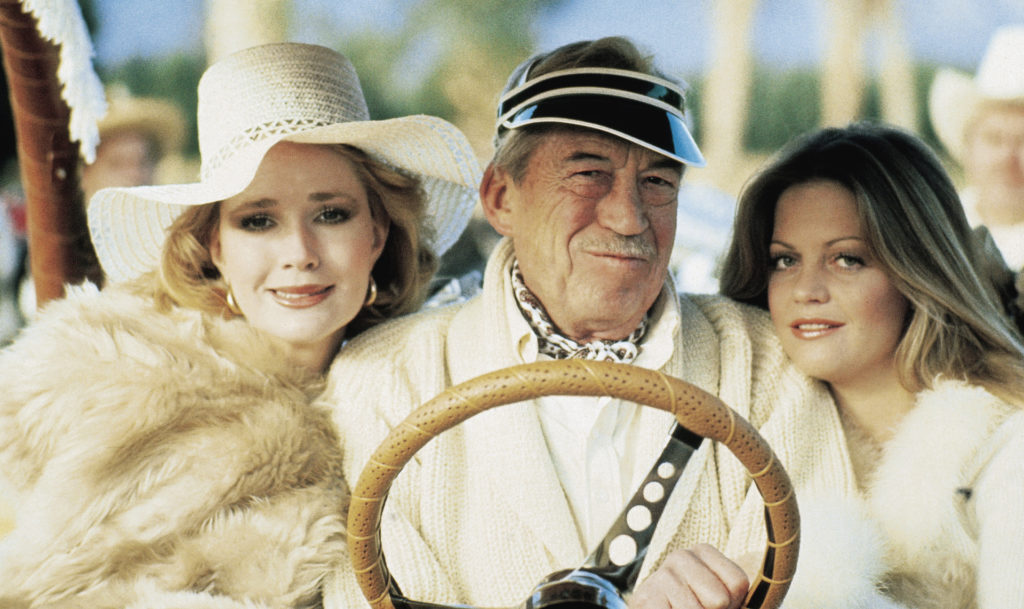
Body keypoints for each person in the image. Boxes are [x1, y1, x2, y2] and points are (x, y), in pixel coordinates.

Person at [321, 37, 865, 609]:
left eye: (657, 182)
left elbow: (826, 580)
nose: (628, 217)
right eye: (588, 173)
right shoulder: (381, 378)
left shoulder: (763, 361)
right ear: (502, 198)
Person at [0, 42, 479, 608]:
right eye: (259, 220)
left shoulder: (428, 375)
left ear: (377, 233)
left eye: (331, 214)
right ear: (215, 245)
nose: (299, 252)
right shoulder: (100, 376)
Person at [720, 121, 1024, 608]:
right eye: (784, 260)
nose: (806, 290)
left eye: (846, 259)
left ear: (916, 271)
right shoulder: (743, 430)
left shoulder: (1007, 448)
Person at [929, 25, 1024, 272]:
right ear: (967, 147)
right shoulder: (929, 233)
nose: (1008, 157)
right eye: (994, 139)